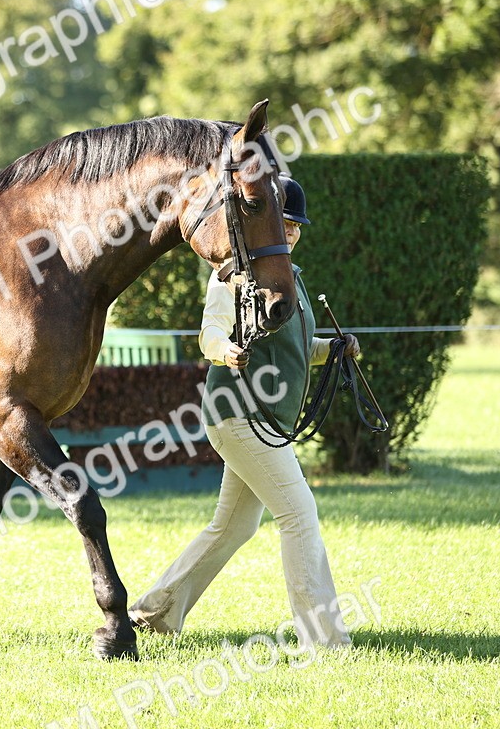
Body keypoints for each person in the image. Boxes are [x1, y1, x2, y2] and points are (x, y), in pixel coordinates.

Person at [128, 177, 360, 648]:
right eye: (285, 222)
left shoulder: (288, 278)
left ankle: (156, 611)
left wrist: (333, 349)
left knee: (234, 525)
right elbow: (209, 331)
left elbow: (295, 348)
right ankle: (324, 640)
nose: (291, 231)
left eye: (297, 225)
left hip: (268, 421)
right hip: (236, 414)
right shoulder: (232, 274)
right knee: (299, 514)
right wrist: (225, 350)